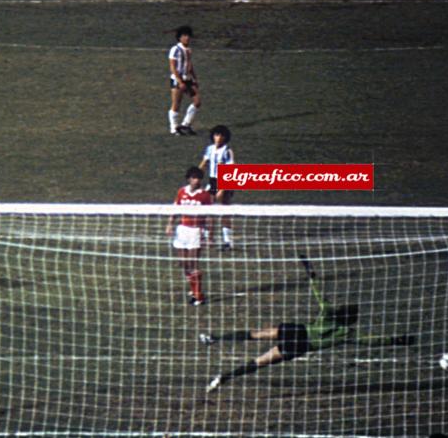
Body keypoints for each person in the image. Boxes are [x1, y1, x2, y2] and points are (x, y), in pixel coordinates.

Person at [201, 255, 414, 390]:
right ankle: (223, 378)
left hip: (297, 330)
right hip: (301, 346)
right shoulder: (348, 334)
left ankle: (214, 338)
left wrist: (310, 271)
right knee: (260, 362)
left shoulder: (328, 313)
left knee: (256, 334)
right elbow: (372, 341)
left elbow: (319, 292)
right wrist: (397, 340)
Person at [167, 167, 213, 307]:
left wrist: (210, 235)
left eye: (198, 178)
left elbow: (211, 216)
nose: (196, 180)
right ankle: (193, 286)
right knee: (183, 263)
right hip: (182, 230)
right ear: (189, 178)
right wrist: (170, 224)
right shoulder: (182, 192)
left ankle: (198, 295)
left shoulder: (204, 195)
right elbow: (175, 209)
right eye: (193, 178)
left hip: (195, 231)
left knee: (193, 264)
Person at [198, 125, 234, 248]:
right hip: (213, 181)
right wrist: (196, 176)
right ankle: (209, 238)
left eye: (221, 135)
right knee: (209, 209)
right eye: (216, 135)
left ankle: (227, 241)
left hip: (224, 181)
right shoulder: (209, 149)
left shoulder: (227, 151)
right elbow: (203, 164)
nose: (218, 138)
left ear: (225, 138)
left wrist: (222, 189)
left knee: (224, 211)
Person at [167, 25, 200, 136]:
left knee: (197, 102)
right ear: (179, 37)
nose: (187, 38)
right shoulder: (175, 49)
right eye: (184, 36)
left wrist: (194, 78)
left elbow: (190, 65)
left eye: (188, 35)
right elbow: (172, 67)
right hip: (178, 80)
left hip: (188, 79)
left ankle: (186, 124)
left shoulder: (188, 50)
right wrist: (179, 81)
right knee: (176, 104)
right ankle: (174, 128)